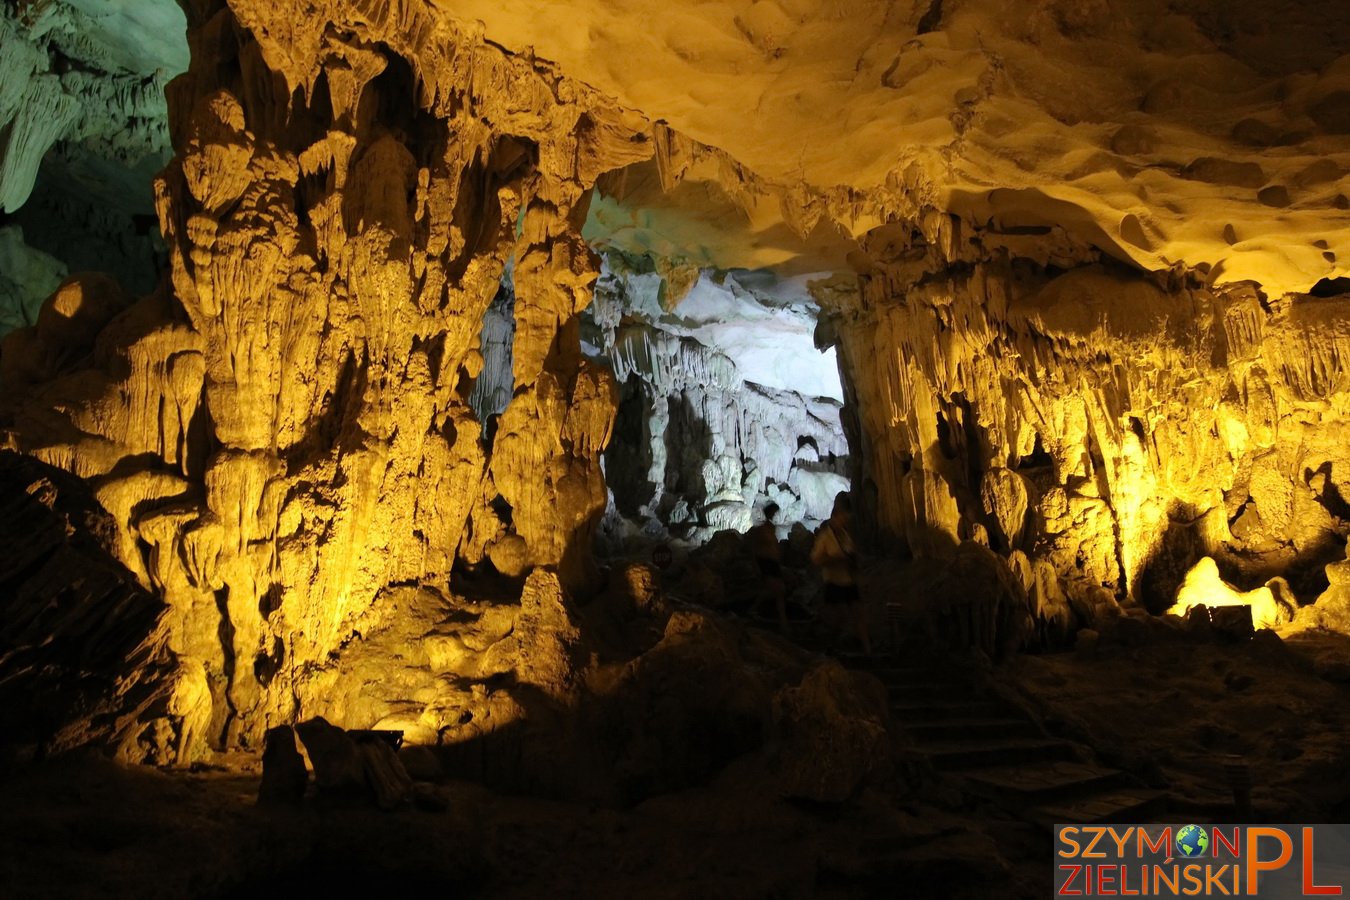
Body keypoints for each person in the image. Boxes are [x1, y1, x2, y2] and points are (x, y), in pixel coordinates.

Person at [811, 491, 871, 655]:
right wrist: (834, 560)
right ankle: (830, 647)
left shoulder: (845, 536)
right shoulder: (825, 537)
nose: (845, 522)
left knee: (858, 613)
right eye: (843, 518)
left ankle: (867, 651)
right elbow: (815, 559)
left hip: (849, 580)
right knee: (837, 618)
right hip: (833, 582)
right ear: (835, 517)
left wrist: (855, 561)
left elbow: (852, 555)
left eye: (847, 519)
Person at [747, 503, 789, 632]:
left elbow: (772, 547)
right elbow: (754, 549)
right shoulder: (761, 529)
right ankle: (783, 622)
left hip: (772, 563)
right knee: (778, 591)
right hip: (765, 562)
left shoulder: (771, 528)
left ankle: (753, 609)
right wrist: (756, 566)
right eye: (774, 513)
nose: (775, 516)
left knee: (772, 590)